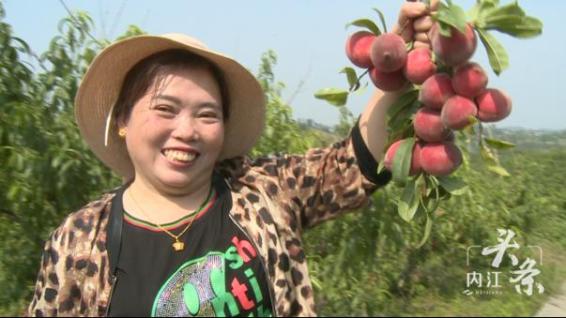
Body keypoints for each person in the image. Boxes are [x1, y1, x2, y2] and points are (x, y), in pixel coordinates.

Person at [27, 1, 435, 316]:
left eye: (207, 114)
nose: (186, 130)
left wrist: (397, 60)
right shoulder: (80, 240)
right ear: (122, 121)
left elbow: (354, 165)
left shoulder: (260, 190)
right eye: (165, 109)